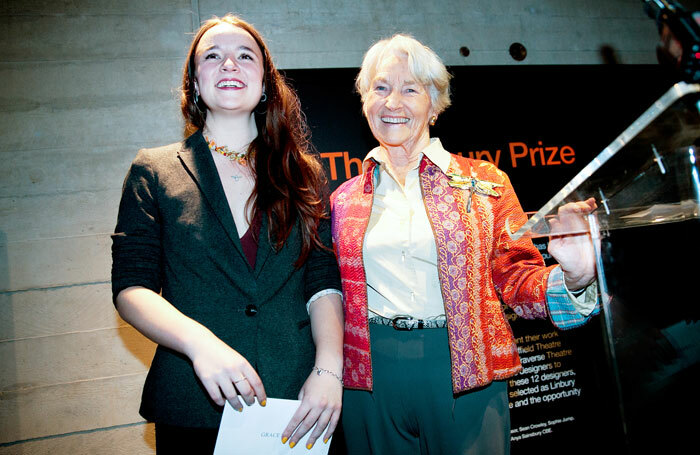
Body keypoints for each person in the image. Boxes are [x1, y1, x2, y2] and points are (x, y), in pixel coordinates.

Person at [330, 34, 599, 454]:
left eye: (410, 89)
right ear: (365, 100)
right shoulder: (343, 199)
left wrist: (576, 278)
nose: (392, 102)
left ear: (434, 105)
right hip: (370, 375)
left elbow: (516, 279)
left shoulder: (486, 183)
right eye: (380, 88)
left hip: (466, 370)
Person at [111, 14, 343, 453]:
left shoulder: (304, 174)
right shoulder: (154, 170)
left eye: (244, 56)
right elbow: (131, 288)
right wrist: (200, 345)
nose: (229, 65)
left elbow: (322, 280)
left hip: (301, 402)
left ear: (266, 82)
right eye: (212, 57)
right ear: (195, 84)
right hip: (196, 402)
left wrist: (330, 368)